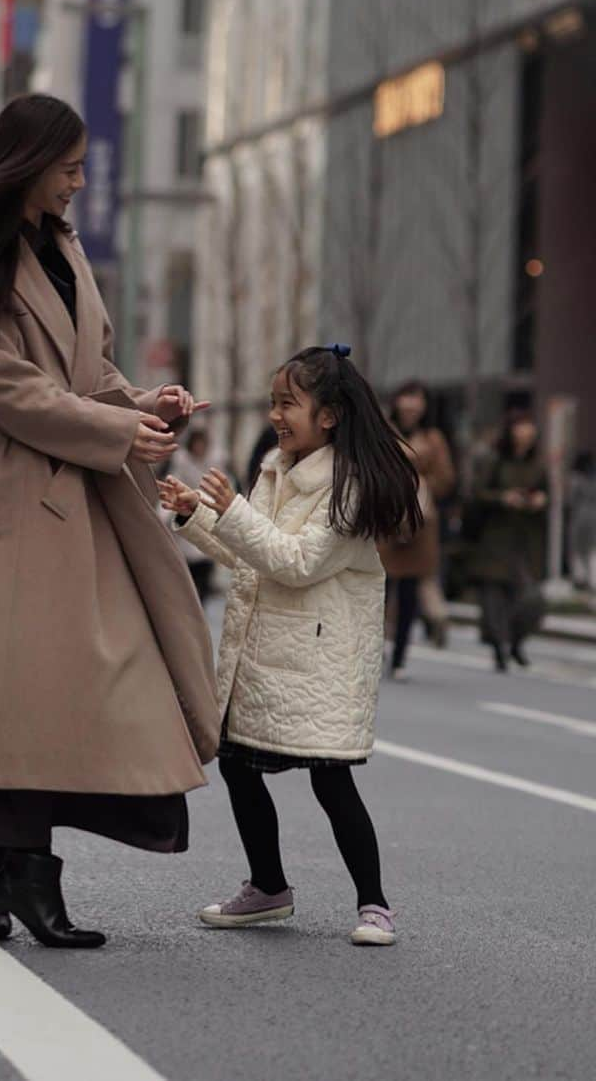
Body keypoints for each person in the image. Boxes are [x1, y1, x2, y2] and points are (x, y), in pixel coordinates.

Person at [0, 93, 219, 949]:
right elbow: (12, 392)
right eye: (70, 167)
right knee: (20, 695)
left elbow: (87, 371)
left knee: (98, 686)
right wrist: (120, 425)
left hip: (97, 495)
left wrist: (143, 402)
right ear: (30, 162)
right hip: (32, 495)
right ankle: (20, 873)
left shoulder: (65, 247)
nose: (82, 183)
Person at [160, 344, 421, 948]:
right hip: (269, 653)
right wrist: (199, 514)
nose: (277, 414)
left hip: (319, 660)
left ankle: (375, 905)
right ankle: (268, 886)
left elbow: (296, 561)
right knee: (236, 764)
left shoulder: (348, 485)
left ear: (328, 415)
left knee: (331, 780)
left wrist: (230, 512)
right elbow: (251, 559)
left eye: (288, 404)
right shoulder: (277, 468)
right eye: (274, 403)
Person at [378, 381, 456, 677]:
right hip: (385, 520)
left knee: (410, 593)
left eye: (417, 398)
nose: (411, 404)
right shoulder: (382, 432)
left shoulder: (434, 438)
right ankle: (375, 650)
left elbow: (447, 478)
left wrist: (423, 484)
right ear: (396, 401)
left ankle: (399, 657)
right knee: (378, 589)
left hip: (420, 522)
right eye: (406, 397)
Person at [468, 409, 548, 672]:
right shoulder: (495, 461)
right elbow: (477, 494)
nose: (525, 432)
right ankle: (500, 648)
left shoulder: (539, 464)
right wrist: (503, 498)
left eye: (529, 426)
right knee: (494, 599)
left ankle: (515, 640)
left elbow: (549, 496)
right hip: (496, 539)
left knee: (531, 599)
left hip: (527, 540)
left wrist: (540, 501)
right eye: (520, 427)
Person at [169, 427, 216, 600]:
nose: (200, 448)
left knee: (205, 564)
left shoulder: (214, 464)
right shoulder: (181, 464)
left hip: (208, 517)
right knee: (189, 575)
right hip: (187, 517)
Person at [569, 451, 596, 593]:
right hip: (593, 516)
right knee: (592, 550)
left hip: (581, 516)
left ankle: (581, 578)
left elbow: (572, 499)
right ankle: (590, 579)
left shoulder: (576, 479)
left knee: (580, 549)